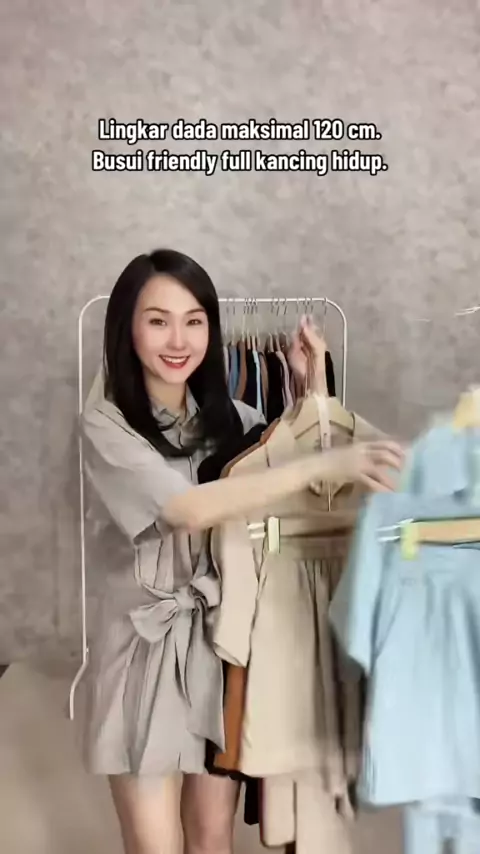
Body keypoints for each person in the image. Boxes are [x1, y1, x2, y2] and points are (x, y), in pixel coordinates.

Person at [81, 248, 403, 854]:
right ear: (126, 328)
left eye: (194, 320)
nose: (179, 340)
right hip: (143, 653)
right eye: (158, 321)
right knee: (154, 845)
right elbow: (185, 510)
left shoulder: (237, 418)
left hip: (219, 645)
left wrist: (311, 390)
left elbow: (297, 473)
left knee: (212, 838)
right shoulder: (106, 424)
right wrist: (331, 462)